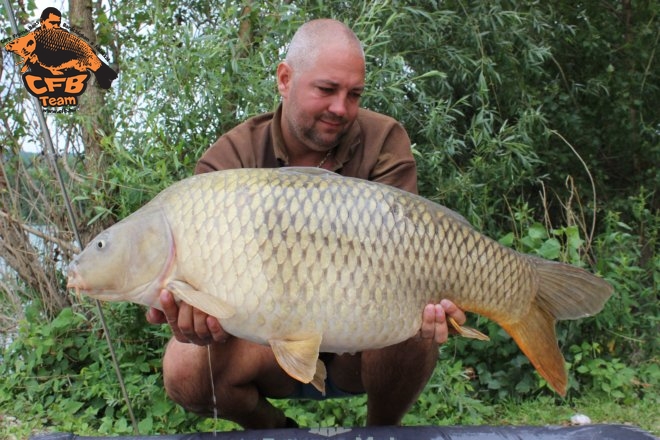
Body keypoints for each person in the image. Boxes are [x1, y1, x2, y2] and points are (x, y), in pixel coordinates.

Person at [146, 18, 467, 429]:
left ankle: (380, 432)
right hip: (263, 346)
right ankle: (277, 434)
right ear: (284, 79)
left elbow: (409, 252)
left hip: (363, 340)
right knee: (183, 368)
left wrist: (443, 293)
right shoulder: (229, 160)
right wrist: (198, 319)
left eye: (354, 95)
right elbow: (201, 292)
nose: (341, 108)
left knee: (416, 323)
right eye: (327, 90)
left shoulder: (384, 139)